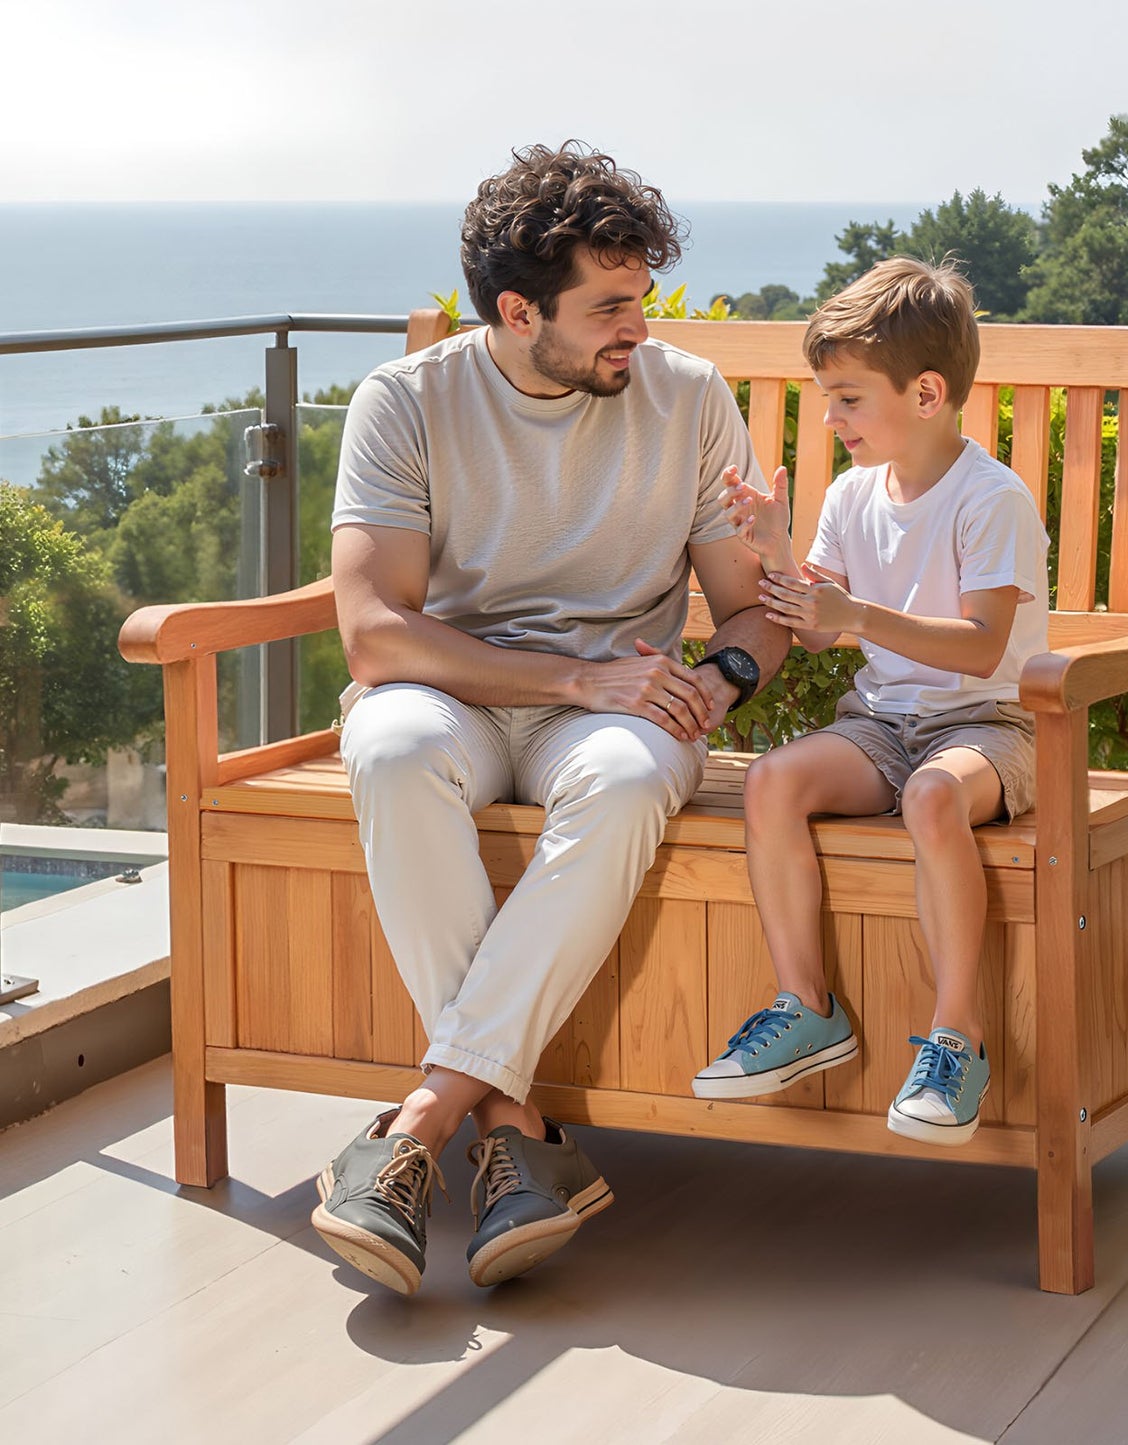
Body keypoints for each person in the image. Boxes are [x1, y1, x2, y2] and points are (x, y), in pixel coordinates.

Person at [312, 142, 788, 1296]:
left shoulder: (686, 397)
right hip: (464, 692)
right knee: (387, 741)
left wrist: (711, 681)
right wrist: (575, 681)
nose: (638, 326)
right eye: (609, 306)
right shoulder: (405, 401)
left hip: (618, 706)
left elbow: (750, 614)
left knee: (628, 776)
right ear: (519, 312)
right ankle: (510, 1127)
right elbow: (375, 633)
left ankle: (419, 1127)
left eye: (642, 298)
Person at [691, 256, 1050, 1147]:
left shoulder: (988, 498)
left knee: (932, 796)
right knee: (773, 781)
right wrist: (778, 554)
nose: (830, 417)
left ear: (926, 393)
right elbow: (816, 629)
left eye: (848, 398)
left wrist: (858, 616)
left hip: (988, 725)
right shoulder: (853, 495)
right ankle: (806, 1004)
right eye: (825, 396)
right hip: (883, 724)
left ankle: (955, 1037)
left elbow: (983, 648)